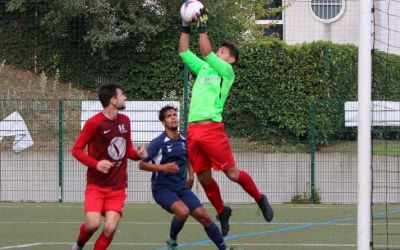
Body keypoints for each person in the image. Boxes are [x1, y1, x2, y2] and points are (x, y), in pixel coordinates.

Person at [178, 7, 274, 236]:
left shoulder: (226, 72)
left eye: (224, 52)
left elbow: (207, 52)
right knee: (203, 176)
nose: (219, 53)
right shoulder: (203, 68)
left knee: (231, 174)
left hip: (212, 129)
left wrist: (202, 28)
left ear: (231, 60)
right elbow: (183, 51)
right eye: (219, 50)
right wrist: (184, 26)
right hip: (193, 130)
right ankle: (222, 211)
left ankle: (259, 198)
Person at [139, 105, 228, 250]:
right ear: (163, 122)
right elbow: (142, 165)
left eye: (175, 115)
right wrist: (163, 168)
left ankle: (224, 249)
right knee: (183, 211)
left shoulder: (184, 140)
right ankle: (172, 240)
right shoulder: (158, 142)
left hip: (181, 187)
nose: (173, 117)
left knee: (204, 217)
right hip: (162, 189)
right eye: (169, 116)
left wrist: (191, 175)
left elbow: (190, 157)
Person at [71, 83, 146, 250]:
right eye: (122, 95)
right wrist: (96, 164)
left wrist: (138, 154)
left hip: (117, 188)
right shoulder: (94, 123)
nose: (125, 97)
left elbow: (127, 150)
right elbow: (76, 150)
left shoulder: (125, 121)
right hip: (96, 186)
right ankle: (78, 245)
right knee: (92, 224)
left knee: (110, 227)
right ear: (113, 100)